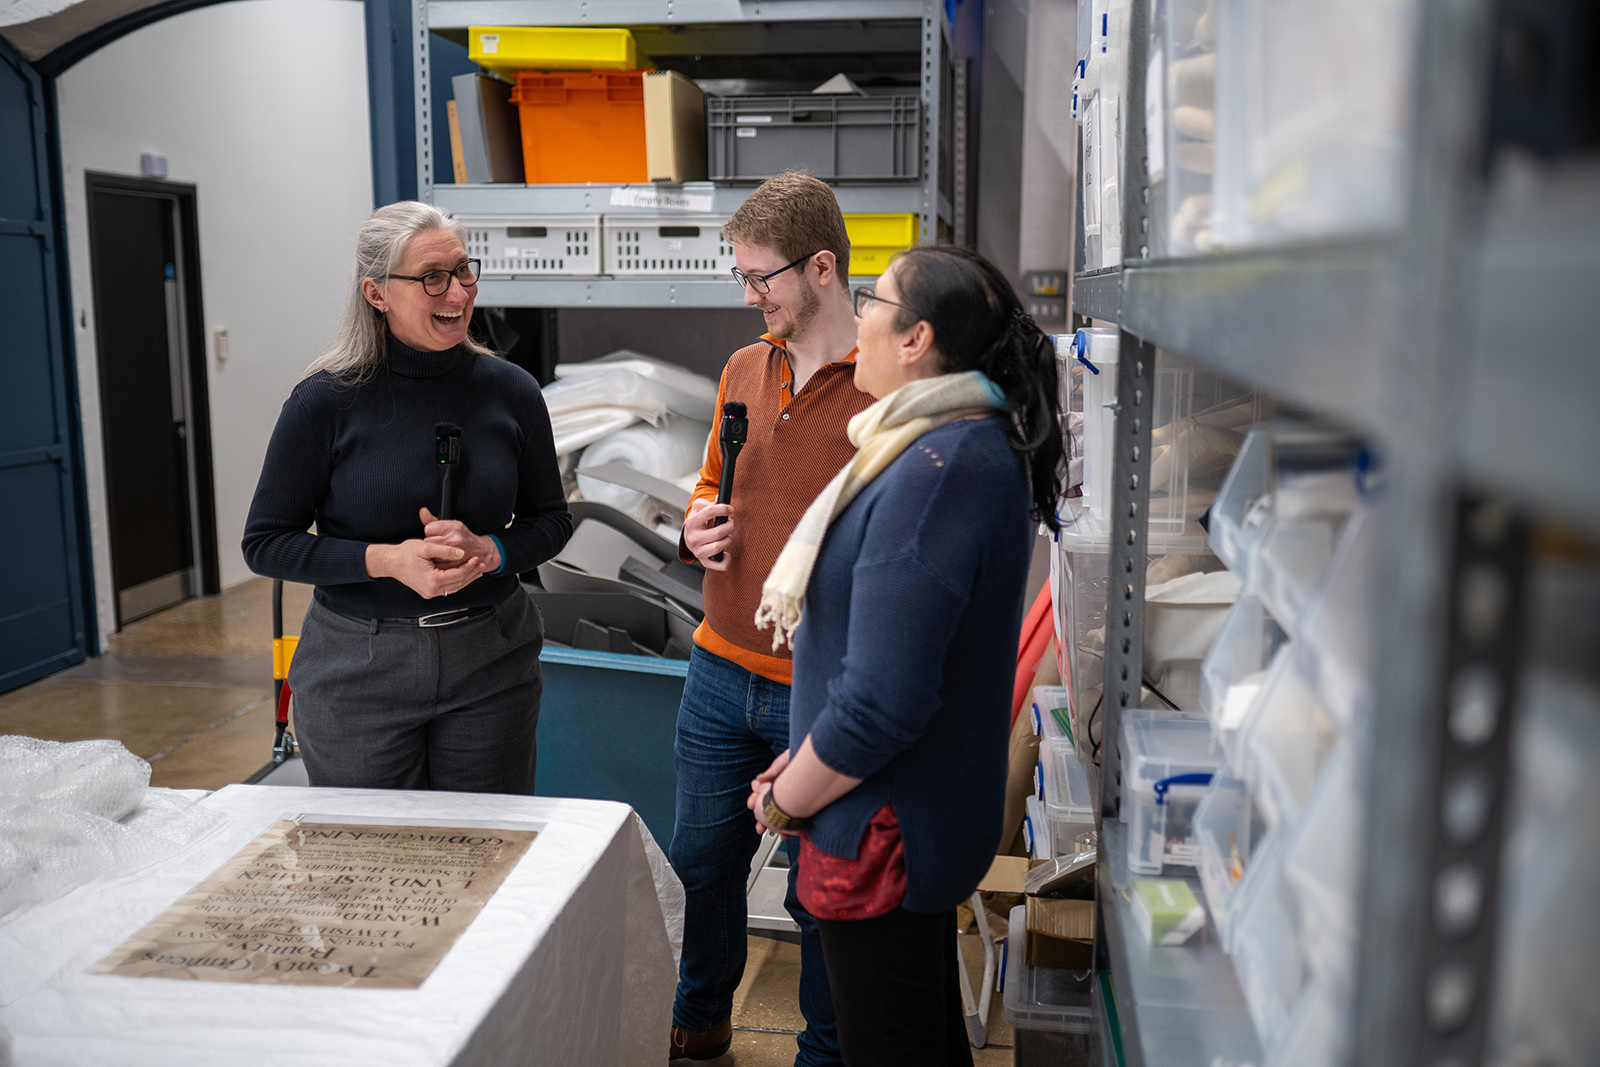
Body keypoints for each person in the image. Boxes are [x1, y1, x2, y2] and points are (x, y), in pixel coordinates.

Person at [745, 246, 1063, 1066]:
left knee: (894, 1041)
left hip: (885, 833)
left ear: (916, 337)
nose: (857, 320)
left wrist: (789, 794)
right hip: (890, 807)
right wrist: (801, 760)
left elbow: (885, 699)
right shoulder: (944, 444)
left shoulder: (937, 467)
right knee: (913, 1038)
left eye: (871, 303)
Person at [241, 200, 572, 793]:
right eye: (431, 278)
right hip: (357, 669)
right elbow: (266, 544)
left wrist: (492, 550)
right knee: (374, 862)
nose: (457, 293)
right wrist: (386, 560)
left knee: (484, 856)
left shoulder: (511, 391)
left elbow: (551, 520)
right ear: (376, 293)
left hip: (491, 663)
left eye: (464, 270)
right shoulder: (325, 402)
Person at [669, 172, 871, 1065]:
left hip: (819, 689)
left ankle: (822, 1050)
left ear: (820, 267)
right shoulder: (745, 367)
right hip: (720, 666)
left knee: (815, 891)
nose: (750, 298)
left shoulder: (884, 383)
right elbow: (715, 478)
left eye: (764, 279)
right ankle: (699, 1022)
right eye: (742, 278)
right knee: (702, 865)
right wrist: (695, 519)